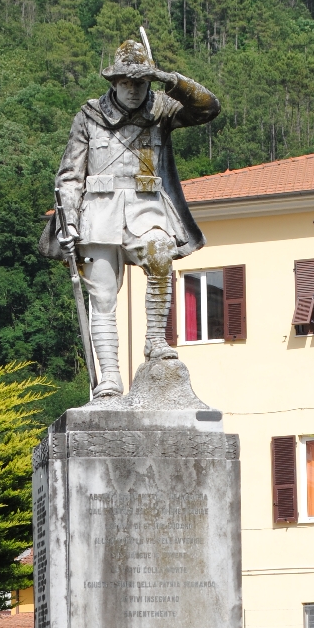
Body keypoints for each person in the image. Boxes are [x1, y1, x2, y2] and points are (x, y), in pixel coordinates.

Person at [40, 39, 220, 398]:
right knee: (103, 297)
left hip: (146, 208)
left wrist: (169, 78)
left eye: (141, 82)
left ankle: (155, 341)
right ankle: (109, 377)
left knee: (160, 252)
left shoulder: (162, 110)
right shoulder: (88, 117)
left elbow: (207, 108)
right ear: (114, 83)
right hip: (97, 214)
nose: (134, 90)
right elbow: (70, 176)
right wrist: (70, 224)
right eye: (127, 83)